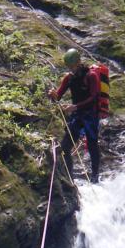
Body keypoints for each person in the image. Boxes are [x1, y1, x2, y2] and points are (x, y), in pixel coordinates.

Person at [47, 48, 102, 183]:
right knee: (65, 146)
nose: (71, 69)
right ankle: (70, 176)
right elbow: (58, 97)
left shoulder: (91, 76)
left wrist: (75, 107)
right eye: (69, 67)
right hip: (77, 116)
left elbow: (94, 97)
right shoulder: (69, 78)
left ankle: (95, 175)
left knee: (92, 145)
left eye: (72, 66)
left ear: (78, 62)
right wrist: (53, 95)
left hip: (90, 116)